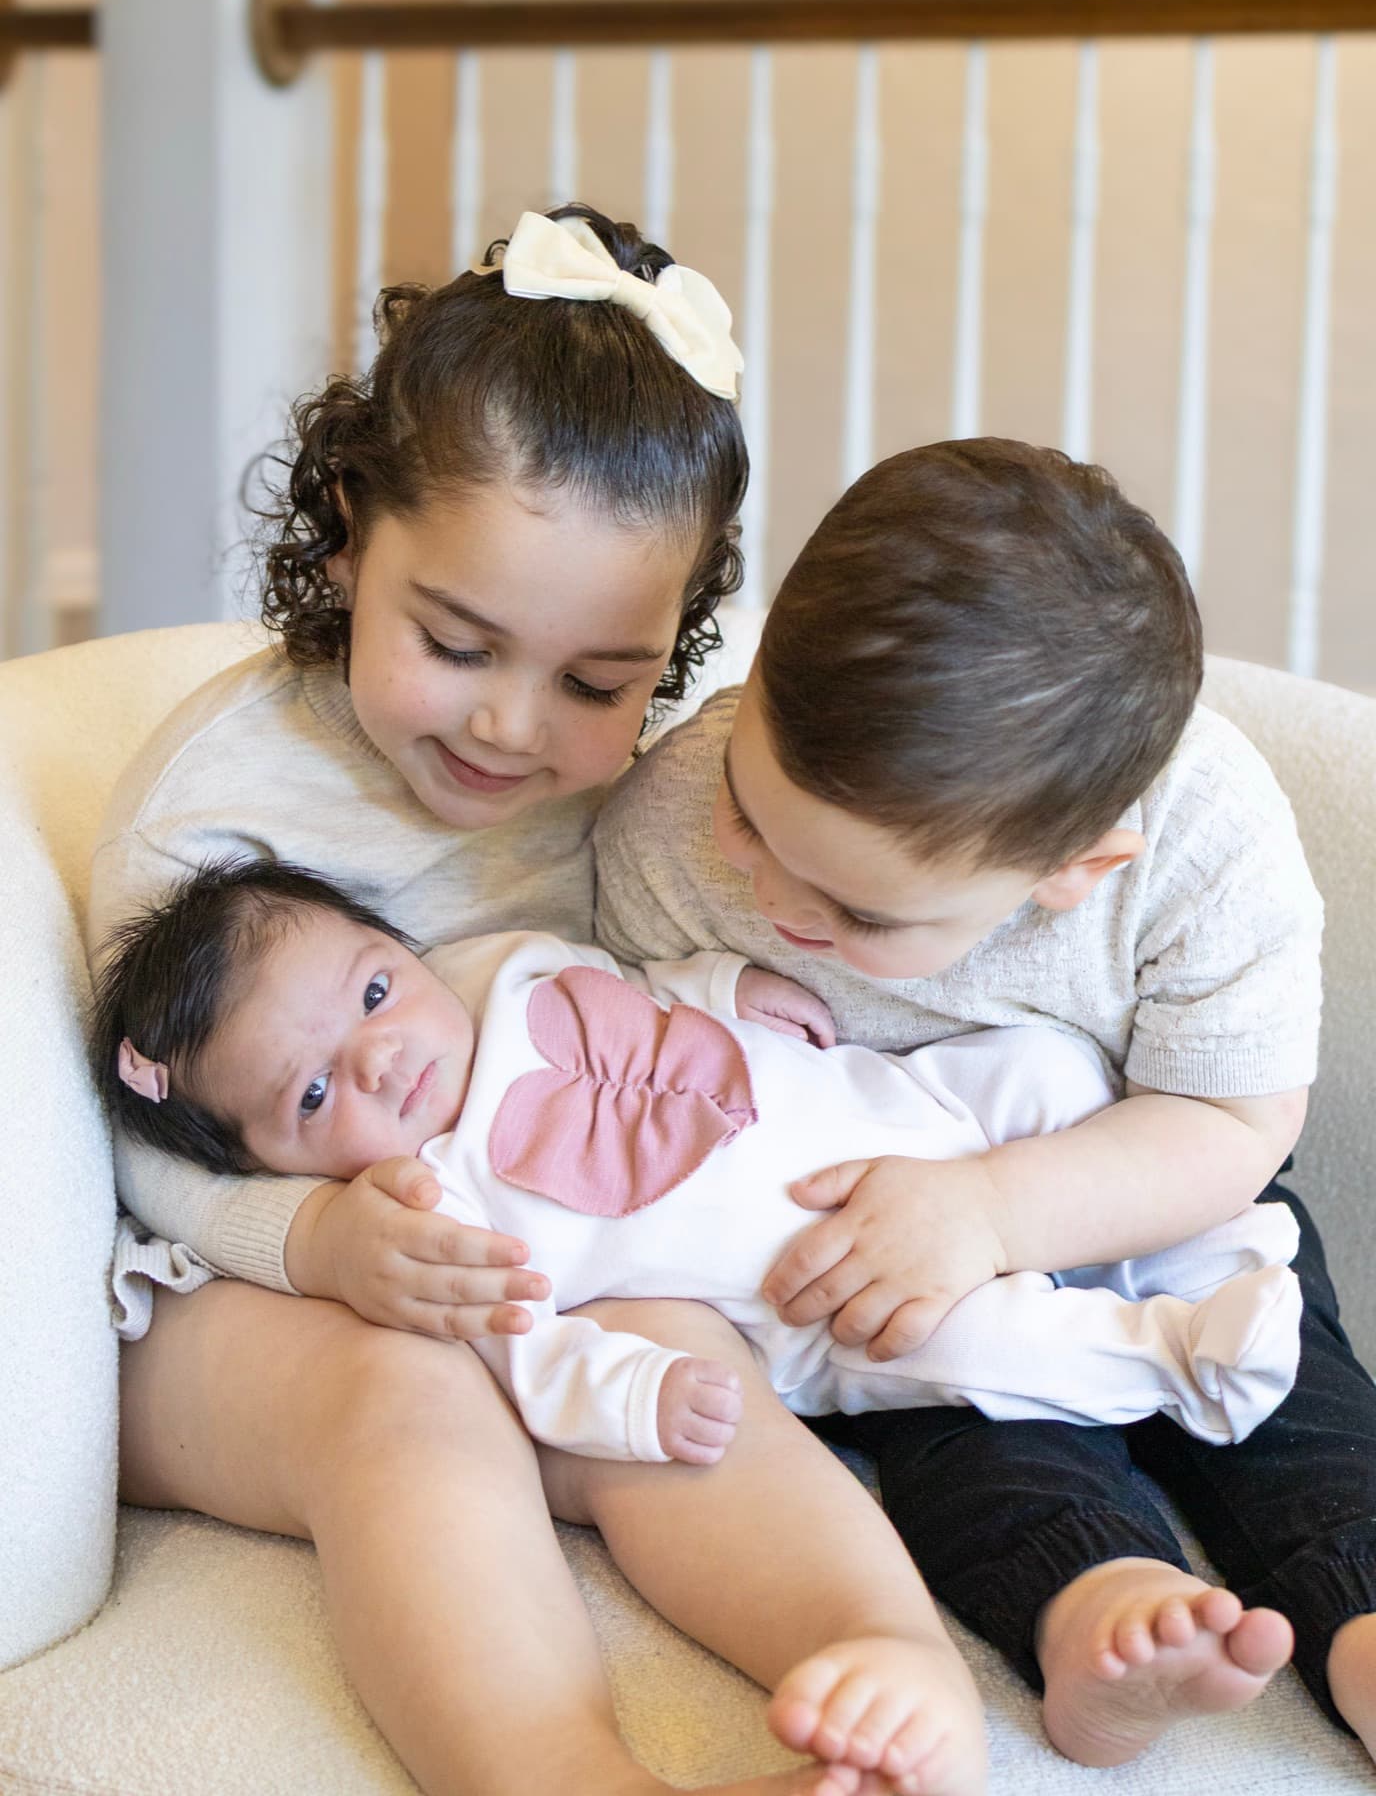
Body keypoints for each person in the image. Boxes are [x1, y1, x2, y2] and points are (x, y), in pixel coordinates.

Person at [88, 209, 984, 1796]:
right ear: (353, 532)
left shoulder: (644, 797)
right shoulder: (214, 816)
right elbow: (135, 1129)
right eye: (458, 643)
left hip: (530, 1259)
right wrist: (317, 1244)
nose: (512, 727)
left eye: (596, 683)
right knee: (405, 1387)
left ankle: (891, 1669)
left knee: (674, 1368)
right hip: (238, 1296)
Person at [593, 436, 1376, 1770]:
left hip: (1156, 1183)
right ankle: (1099, 1618)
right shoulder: (667, 814)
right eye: (752, 815)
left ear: (1075, 869)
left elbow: (1237, 1125)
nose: (775, 900)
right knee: (972, 1434)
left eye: (855, 911)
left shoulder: (1208, 842)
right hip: (885, 1232)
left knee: (1301, 1402)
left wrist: (1000, 1209)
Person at [94, 859, 1304, 1456]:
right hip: (827, 1299)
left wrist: (735, 985)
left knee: (1043, 1069)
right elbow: (535, 1352)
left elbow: (639, 985)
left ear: (395, 944)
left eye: (370, 987)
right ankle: (1175, 1361)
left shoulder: (497, 964)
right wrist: (639, 1401)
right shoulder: (434, 1211)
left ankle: (1205, 1243)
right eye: (311, 1091)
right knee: (972, 1342)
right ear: (278, 1167)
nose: (378, 1056)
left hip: (895, 1110)